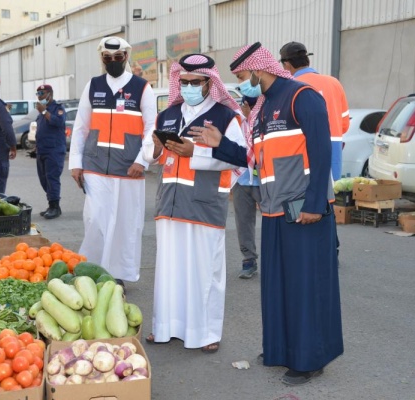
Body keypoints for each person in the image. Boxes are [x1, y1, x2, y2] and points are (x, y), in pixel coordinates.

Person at [193, 42, 343, 385]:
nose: (242, 83)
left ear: (259, 69)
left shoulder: (301, 96)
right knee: (277, 286)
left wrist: (315, 204)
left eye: (243, 76)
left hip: (304, 209)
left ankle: (309, 359)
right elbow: (251, 159)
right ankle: (279, 348)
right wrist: (219, 143)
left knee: (306, 287)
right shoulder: (261, 108)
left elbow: (321, 153)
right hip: (274, 211)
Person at [141, 54, 246, 353]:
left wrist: (194, 154)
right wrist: (158, 150)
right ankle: (166, 327)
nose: (188, 87)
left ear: (208, 82)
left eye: (194, 82)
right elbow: (153, 154)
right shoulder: (169, 114)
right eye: (183, 82)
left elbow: (241, 159)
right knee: (169, 269)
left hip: (204, 202)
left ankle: (206, 333)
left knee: (204, 272)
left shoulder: (226, 117)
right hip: (170, 202)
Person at [69, 37, 156, 284]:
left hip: (129, 169)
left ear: (126, 57)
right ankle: (91, 274)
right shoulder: (93, 86)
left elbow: (151, 128)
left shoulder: (142, 88)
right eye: (107, 58)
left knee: (124, 225)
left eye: (117, 58)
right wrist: (76, 162)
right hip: (95, 167)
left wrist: (143, 160)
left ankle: (118, 275)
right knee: (95, 220)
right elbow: (80, 127)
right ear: (102, 59)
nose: (113, 62)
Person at [279, 41, 350, 181]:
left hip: (302, 156)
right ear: (307, 60)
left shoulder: (288, 87)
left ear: (286, 65)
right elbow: (344, 125)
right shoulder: (334, 83)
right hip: (332, 154)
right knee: (328, 199)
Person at [234, 94, 261, 279]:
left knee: (274, 222)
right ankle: (249, 260)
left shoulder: (264, 120)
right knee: (243, 222)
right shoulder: (236, 121)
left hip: (265, 181)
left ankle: (276, 259)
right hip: (241, 181)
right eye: (246, 104)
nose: (247, 108)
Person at [34, 84, 67, 219]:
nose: (39, 96)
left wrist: (44, 112)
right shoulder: (43, 110)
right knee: (44, 179)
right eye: (38, 94)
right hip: (41, 150)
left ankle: (55, 206)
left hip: (54, 150)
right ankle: (52, 204)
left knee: (52, 178)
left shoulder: (57, 108)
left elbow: (58, 122)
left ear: (49, 94)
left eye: (42, 93)